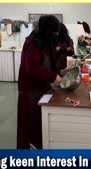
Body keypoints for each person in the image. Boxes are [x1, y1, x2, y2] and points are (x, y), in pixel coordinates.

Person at [17, 15, 62, 149]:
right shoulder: (32, 43)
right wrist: (54, 77)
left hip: (41, 89)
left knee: (39, 125)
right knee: (29, 126)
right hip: (29, 91)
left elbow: (48, 62)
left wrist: (59, 72)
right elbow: (33, 69)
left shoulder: (44, 40)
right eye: (54, 32)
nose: (55, 36)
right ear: (47, 30)